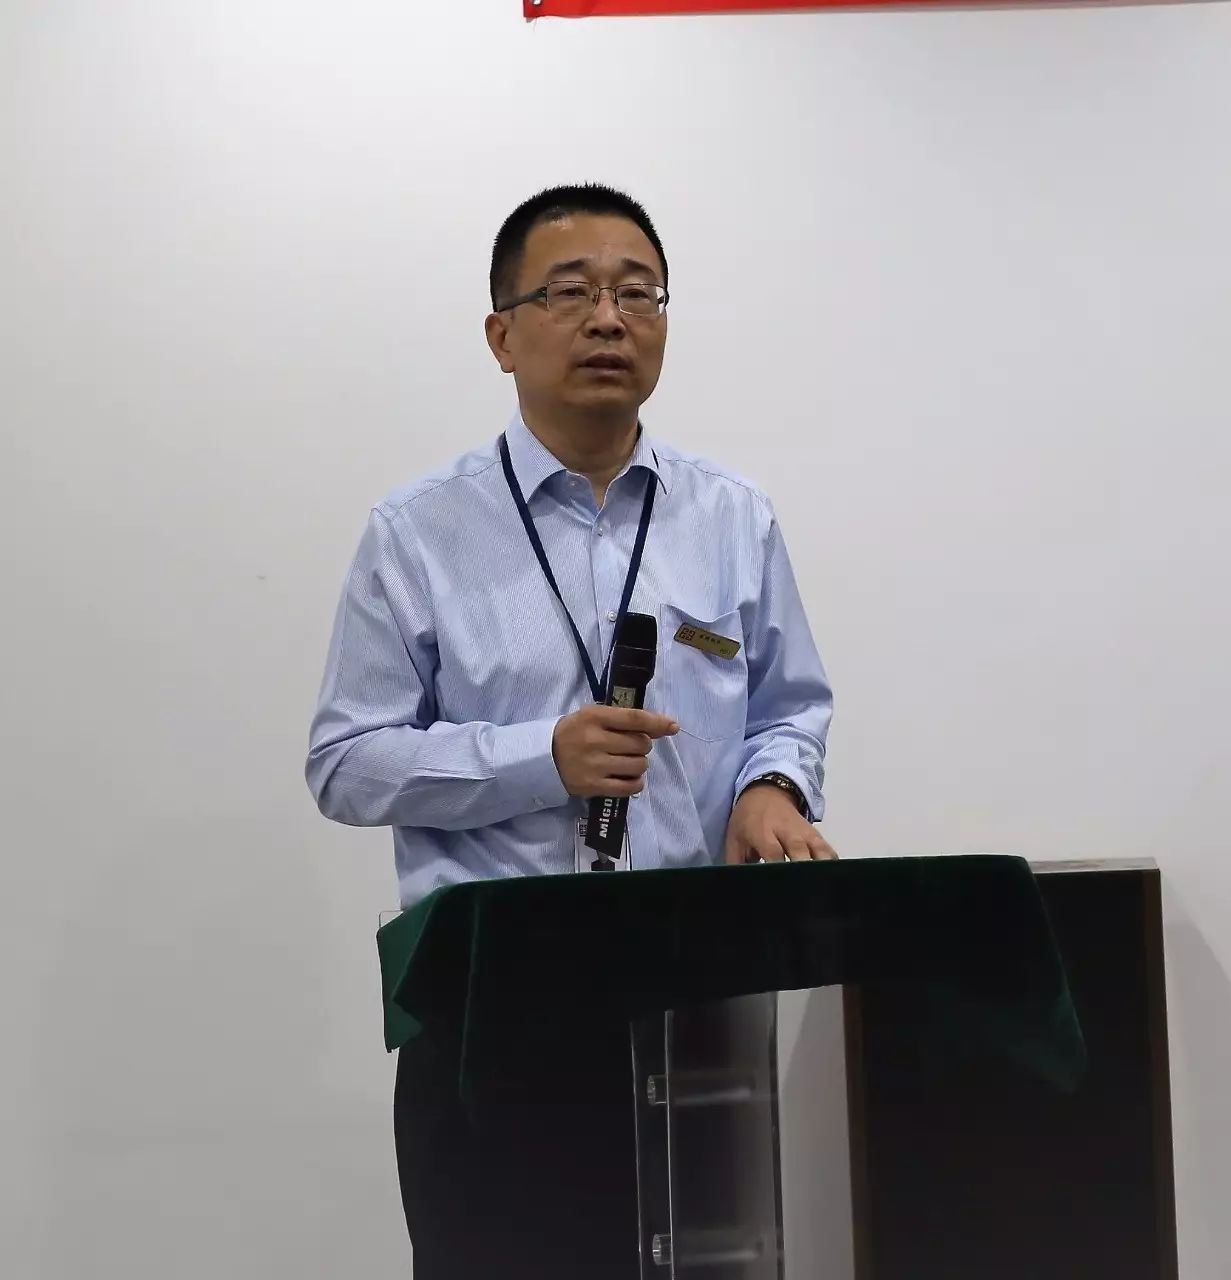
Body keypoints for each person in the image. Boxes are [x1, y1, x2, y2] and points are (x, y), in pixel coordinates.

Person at [306, 183, 834, 1278]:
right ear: (501, 334)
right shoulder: (418, 533)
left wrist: (770, 787)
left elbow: (786, 707)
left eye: (637, 293)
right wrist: (536, 758)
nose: (608, 319)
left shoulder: (731, 517)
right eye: (570, 292)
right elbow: (346, 761)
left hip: (695, 1002)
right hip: (493, 1017)